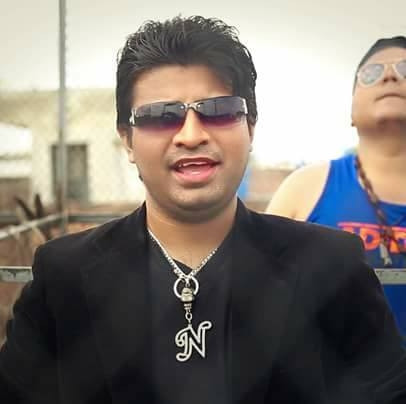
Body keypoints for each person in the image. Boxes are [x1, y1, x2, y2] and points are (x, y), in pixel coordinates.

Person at [1, 17, 406, 404]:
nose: (191, 135)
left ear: (250, 128)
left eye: (219, 110)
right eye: (162, 116)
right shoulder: (63, 278)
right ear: (127, 139)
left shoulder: (333, 267)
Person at [266, 36, 406, 339]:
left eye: (404, 69)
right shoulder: (305, 188)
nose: (390, 76)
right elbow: (259, 299)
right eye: (371, 73)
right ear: (352, 112)